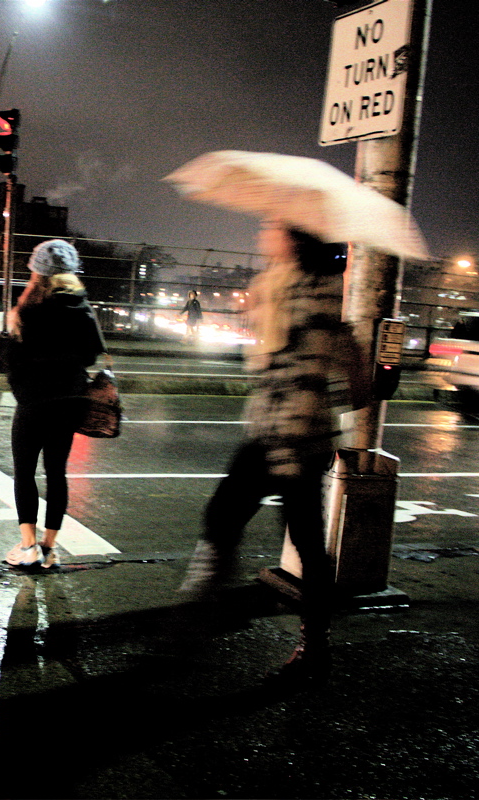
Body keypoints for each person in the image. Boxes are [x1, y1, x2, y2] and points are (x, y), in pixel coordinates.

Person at [177, 222, 370, 688]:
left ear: (295, 239)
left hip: (286, 436)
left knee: (228, 518)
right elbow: (352, 386)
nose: (264, 232)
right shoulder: (294, 286)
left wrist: (277, 317)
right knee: (299, 540)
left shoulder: (305, 293)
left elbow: (292, 371)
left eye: (273, 227)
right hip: (294, 434)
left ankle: (198, 617)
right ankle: (311, 644)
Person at [3, 239, 105, 568]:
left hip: (33, 401)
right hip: (68, 401)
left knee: (24, 473)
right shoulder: (81, 307)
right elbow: (91, 356)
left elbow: (11, 358)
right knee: (57, 473)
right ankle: (49, 549)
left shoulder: (27, 308)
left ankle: (28, 546)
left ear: (37, 272)